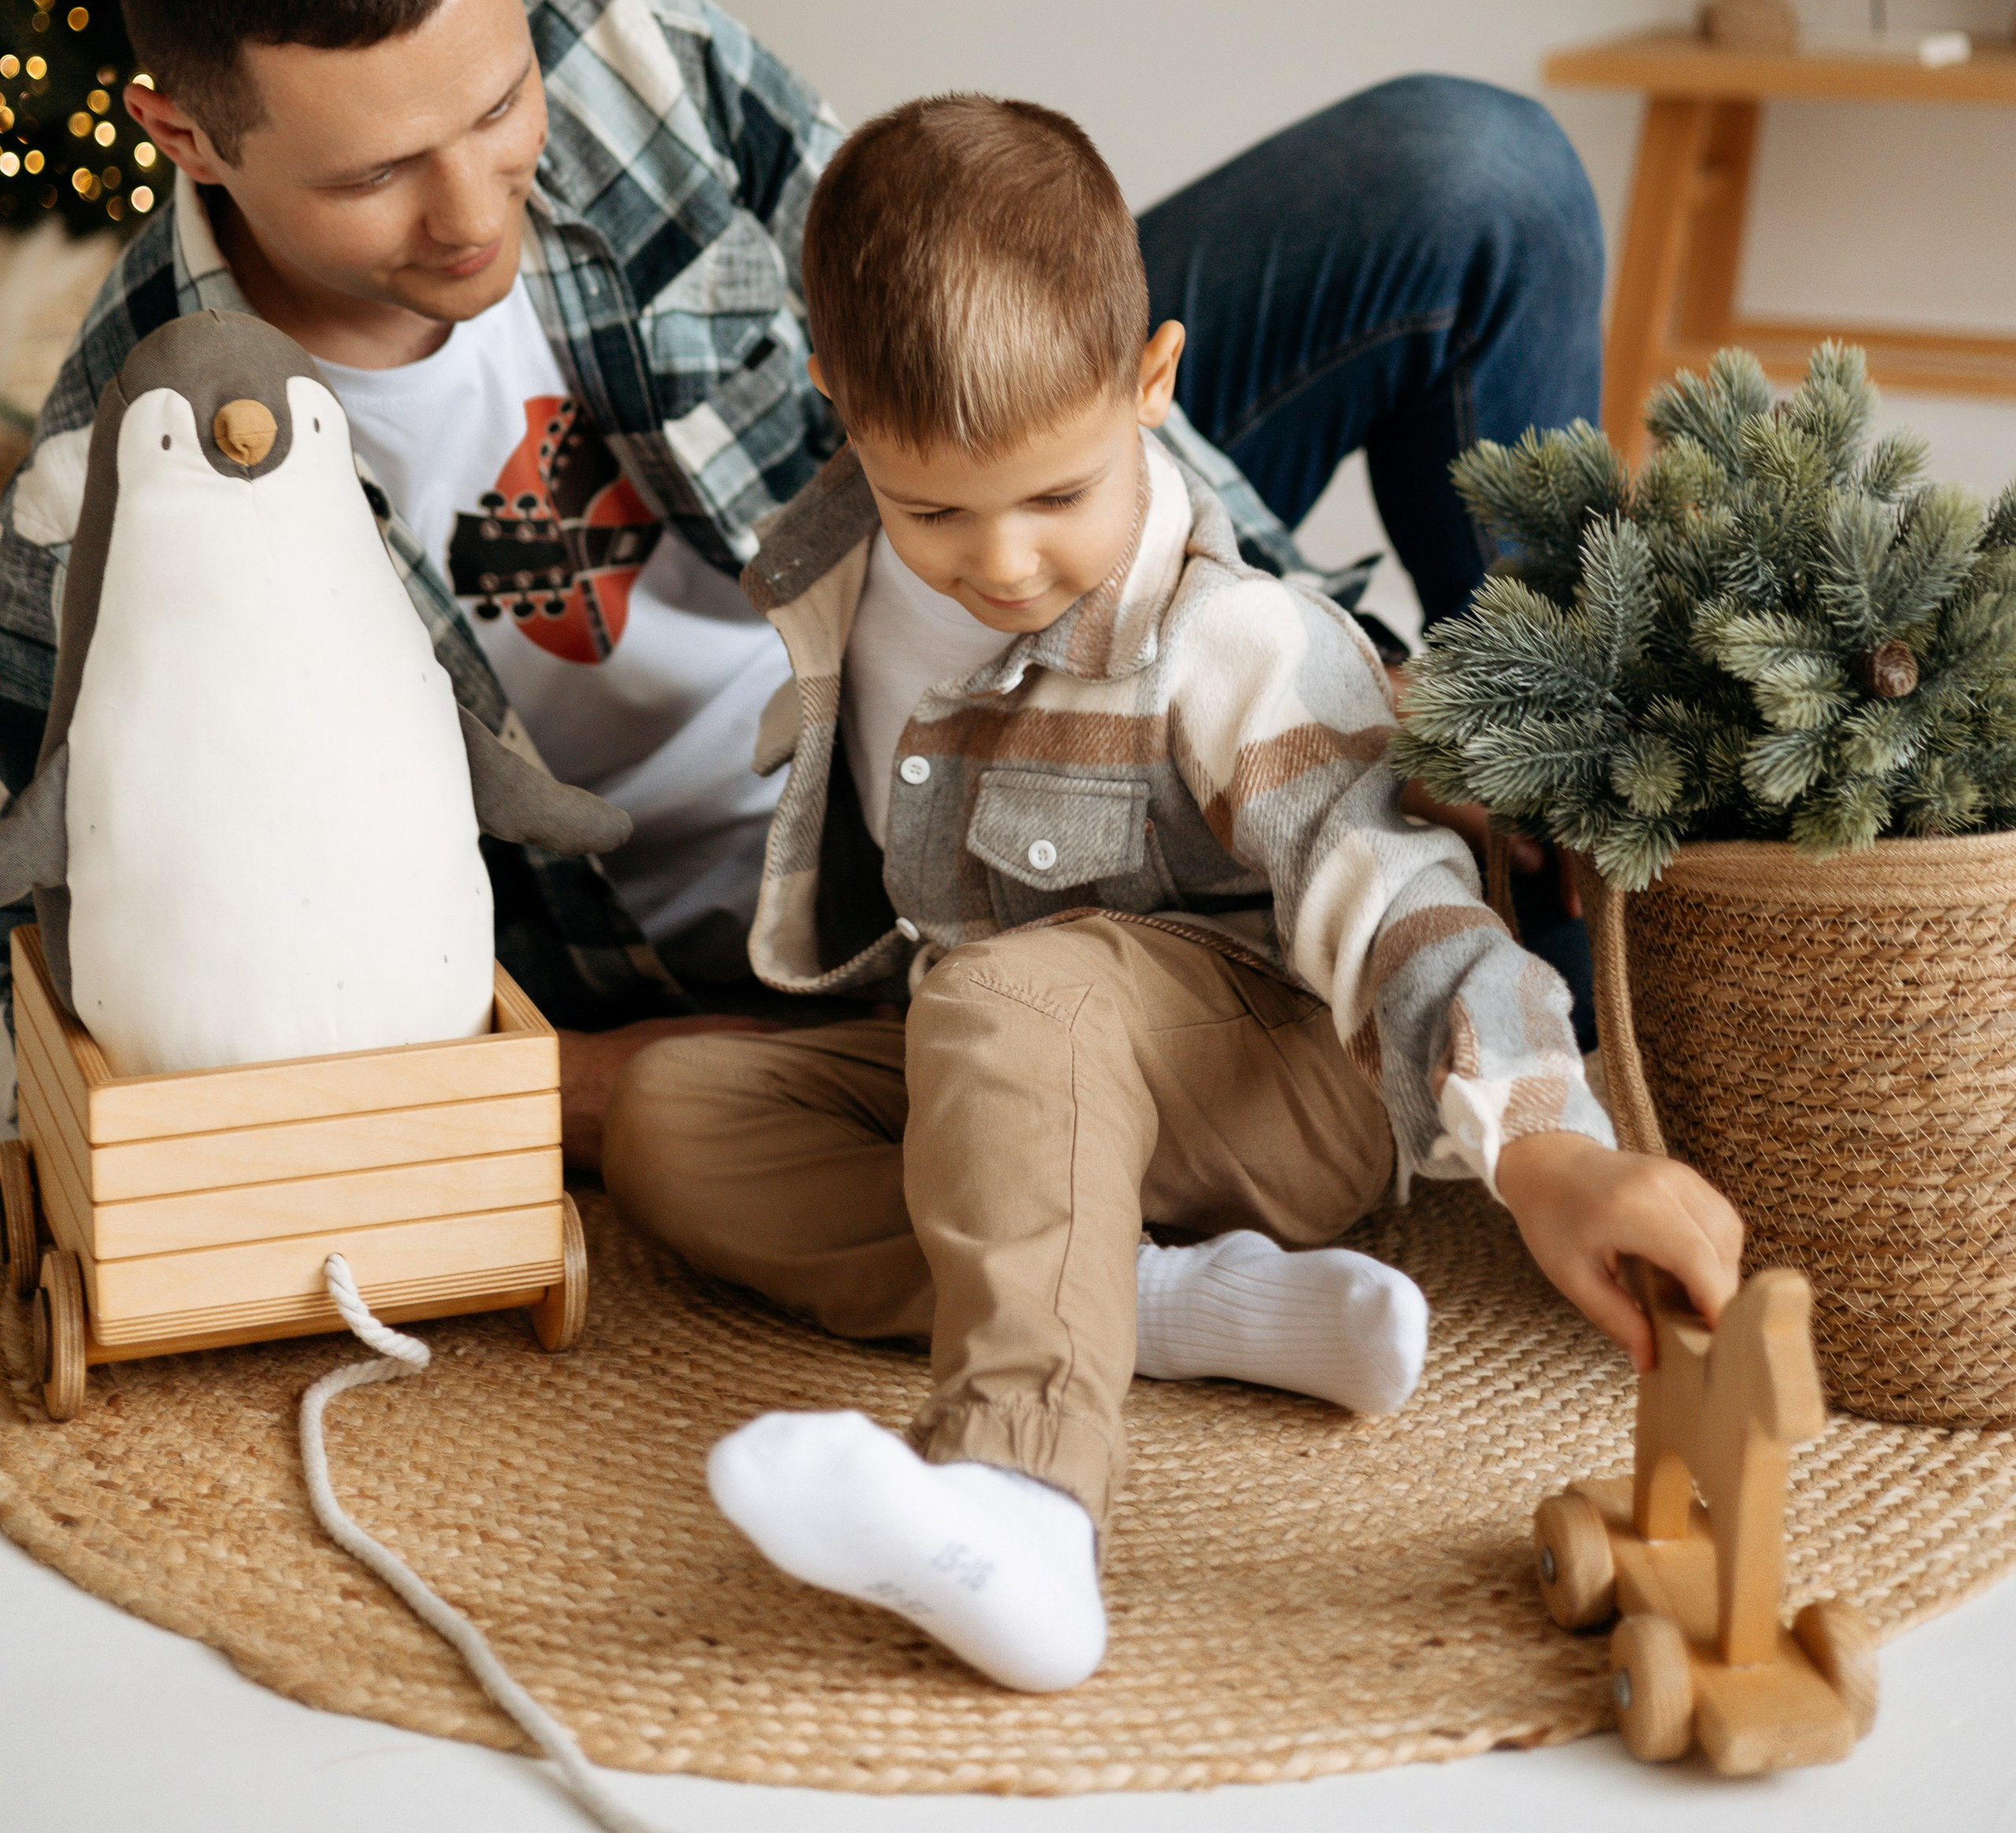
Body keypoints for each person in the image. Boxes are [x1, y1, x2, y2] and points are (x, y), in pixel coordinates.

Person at [0, 0, 1605, 1151]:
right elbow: (62, 937)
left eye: (496, 108)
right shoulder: (118, 468)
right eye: (375, 180)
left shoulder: (623, 42)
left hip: (1003, 581)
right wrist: (543, 1083)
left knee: (1470, 173)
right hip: (794, 946)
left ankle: (1571, 865)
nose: (475, 211)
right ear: (184, 138)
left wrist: (1345, 688)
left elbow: (948, 301)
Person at [602, 96, 1744, 1696]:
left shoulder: (1232, 642)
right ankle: (1158, 1297)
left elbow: (1389, 889)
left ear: (1151, 385)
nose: (999, 561)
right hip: (1027, 1084)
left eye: (1056, 497)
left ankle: (1018, 1502)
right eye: (935, 507)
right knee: (676, 1120)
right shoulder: (831, 574)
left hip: (1278, 1080)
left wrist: (1550, 1147)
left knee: (1016, 993)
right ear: (837, 413)